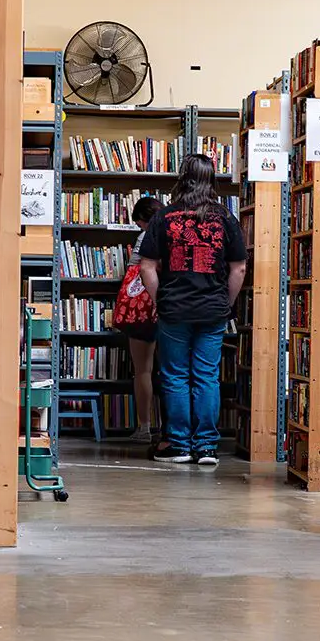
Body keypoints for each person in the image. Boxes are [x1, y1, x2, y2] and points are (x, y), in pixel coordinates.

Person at [137, 154, 246, 466]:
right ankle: (207, 448)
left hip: (175, 308)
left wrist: (161, 300)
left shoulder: (164, 218)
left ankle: (180, 445)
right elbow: (238, 268)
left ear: (182, 177)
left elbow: (146, 267)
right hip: (212, 309)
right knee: (207, 376)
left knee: (174, 375)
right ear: (212, 180)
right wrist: (225, 302)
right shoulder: (226, 218)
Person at [119, 196, 160, 445]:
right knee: (175, 372)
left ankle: (144, 427)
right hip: (173, 306)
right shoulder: (172, 232)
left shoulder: (145, 237)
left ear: (142, 220)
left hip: (142, 309)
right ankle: (174, 430)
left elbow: (138, 270)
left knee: (143, 370)